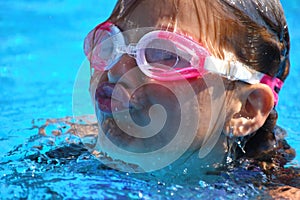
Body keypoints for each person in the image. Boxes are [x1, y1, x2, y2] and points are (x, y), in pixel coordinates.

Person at [82, 0, 295, 176]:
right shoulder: (68, 146)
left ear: (245, 110)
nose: (117, 69)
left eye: (166, 55)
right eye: (110, 43)